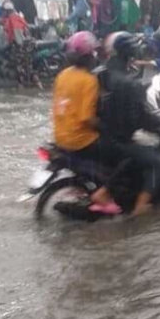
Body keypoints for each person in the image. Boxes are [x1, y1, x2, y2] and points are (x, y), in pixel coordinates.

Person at [96, 32, 160, 216]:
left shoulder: (101, 73)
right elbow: (142, 119)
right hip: (118, 142)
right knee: (159, 161)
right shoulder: (130, 83)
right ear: (131, 54)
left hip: (98, 136)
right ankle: (140, 207)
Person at [52, 31, 121, 214]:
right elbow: (86, 118)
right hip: (80, 140)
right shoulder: (89, 81)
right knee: (120, 155)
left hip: (60, 137)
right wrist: (106, 127)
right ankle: (105, 197)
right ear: (89, 56)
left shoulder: (63, 75)